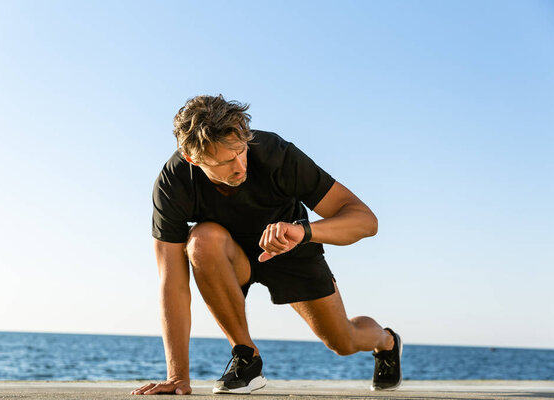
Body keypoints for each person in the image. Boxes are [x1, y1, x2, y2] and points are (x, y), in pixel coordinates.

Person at [131, 95, 402, 396]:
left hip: (291, 246)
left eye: (241, 152)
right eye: (224, 161)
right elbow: (173, 284)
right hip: (231, 257)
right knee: (201, 240)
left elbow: (366, 221)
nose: (239, 166)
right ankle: (246, 357)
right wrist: (177, 375)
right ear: (194, 159)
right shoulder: (174, 183)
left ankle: (387, 341)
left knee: (344, 342)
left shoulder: (275, 154)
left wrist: (304, 232)